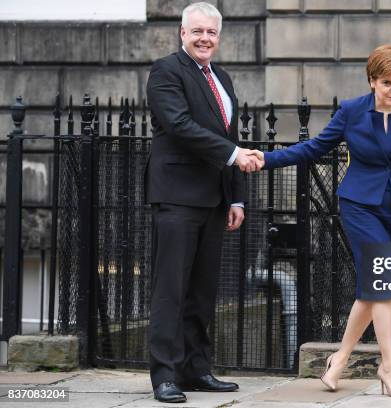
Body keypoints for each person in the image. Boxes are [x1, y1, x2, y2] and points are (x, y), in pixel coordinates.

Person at [252, 45, 391, 398]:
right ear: (372, 80)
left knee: (373, 290)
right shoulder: (352, 112)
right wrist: (266, 159)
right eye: (387, 82)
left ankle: (339, 359)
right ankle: (388, 365)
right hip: (358, 205)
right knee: (384, 280)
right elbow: (313, 148)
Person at [145, 2, 262, 403]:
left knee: (202, 291)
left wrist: (237, 199)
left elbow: (227, 136)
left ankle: (196, 369)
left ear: (219, 37)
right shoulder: (165, 72)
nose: (204, 39)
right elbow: (180, 126)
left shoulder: (222, 78)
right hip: (177, 196)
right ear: (182, 32)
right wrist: (234, 156)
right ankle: (164, 375)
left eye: (211, 33)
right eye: (197, 31)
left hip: (214, 201)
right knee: (170, 290)